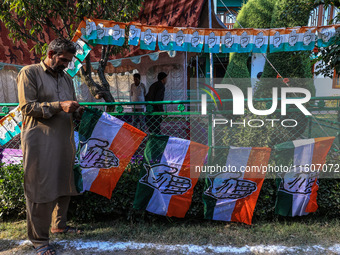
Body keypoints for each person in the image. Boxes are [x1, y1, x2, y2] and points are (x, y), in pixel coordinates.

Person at [17, 38, 84, 255]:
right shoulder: (30, 73)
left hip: (64, 139)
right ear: (51, 53)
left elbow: (69, 105)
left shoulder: (66, 79)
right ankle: (39, 241)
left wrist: (76, 109)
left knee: (64, 183)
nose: (66, 64)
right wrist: (59, 105)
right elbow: (26, 107)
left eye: (69, 60)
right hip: (39, 142)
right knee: (40, 188)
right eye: (63, 59)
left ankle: (59, 225)